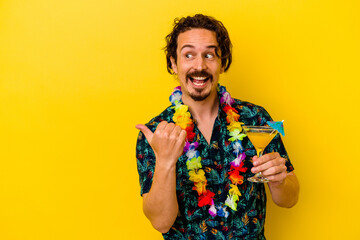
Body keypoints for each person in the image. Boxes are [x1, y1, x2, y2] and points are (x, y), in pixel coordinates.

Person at [135, 14, 299, 239]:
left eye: (209, 55)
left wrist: (279, 180)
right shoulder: (156, 132)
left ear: (223, 63)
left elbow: (289, 199)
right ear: (173, 63)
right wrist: (165, 162)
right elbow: (162, 223)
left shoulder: (256, 118)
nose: (199, 65)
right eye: (188, 55)